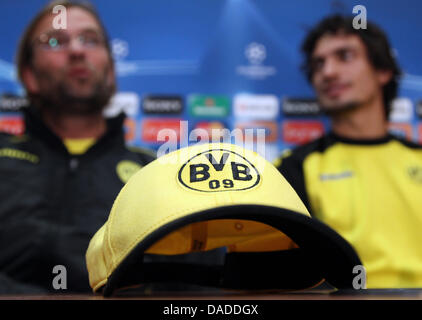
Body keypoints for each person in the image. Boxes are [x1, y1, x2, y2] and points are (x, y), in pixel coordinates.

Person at [0, 0, 155, 294]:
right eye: (55, 41)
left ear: (110, 71)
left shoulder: (154, 174)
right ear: (29, 75)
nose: (76, 50)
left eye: (90, 39)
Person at [275, 15, 422, 289]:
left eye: (344, 56)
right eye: (319, 63)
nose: (328, 72)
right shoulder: (294, 167)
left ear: (382, 71)